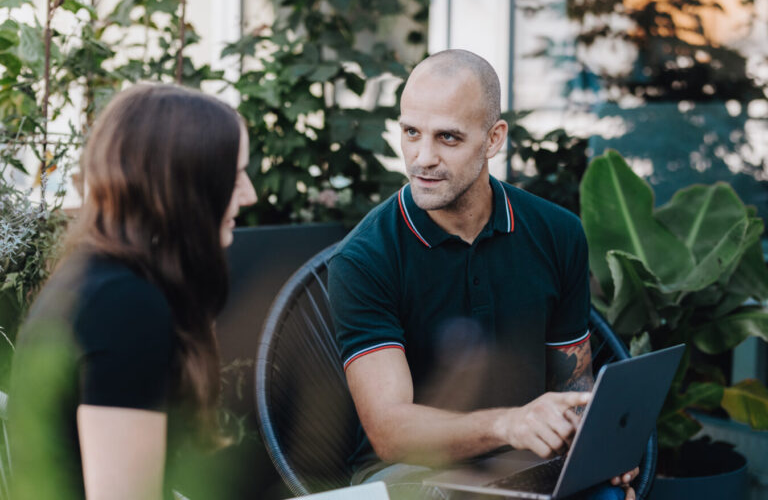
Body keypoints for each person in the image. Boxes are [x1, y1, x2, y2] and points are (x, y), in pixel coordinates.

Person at [327, 49, 638, 500]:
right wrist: (508, 423)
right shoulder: (365, 258)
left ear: (494, 139)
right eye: (411, 132)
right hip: (411, 475)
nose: (422, 158)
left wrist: (600, 445)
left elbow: (574, 385)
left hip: (526, 462)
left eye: (448, 138)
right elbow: (390, 431)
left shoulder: (558, 233)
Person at [9, 83, 257, 500]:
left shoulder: (100, 281)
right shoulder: (123, 307)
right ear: (184, 187)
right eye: (234, 177)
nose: (249, 195)